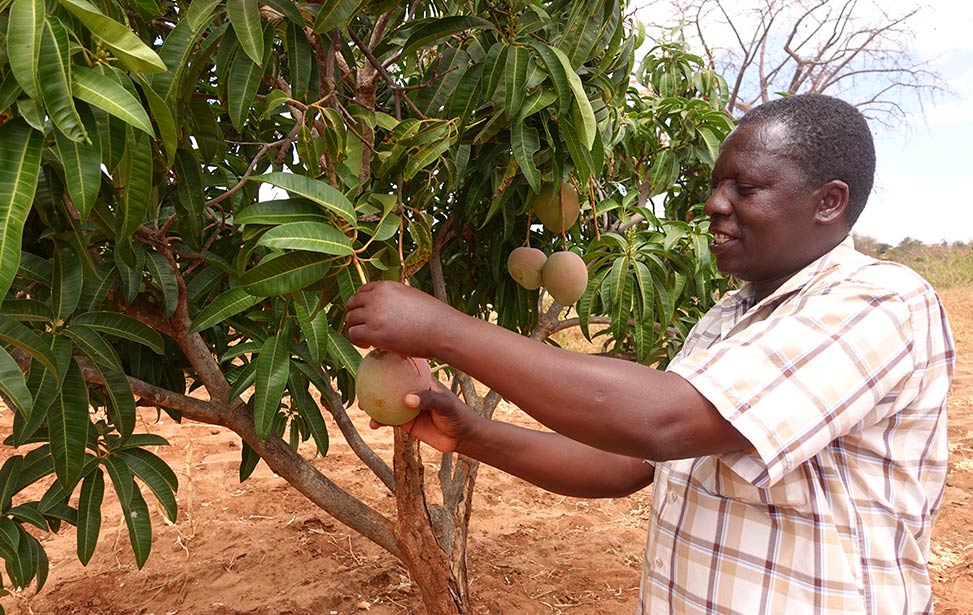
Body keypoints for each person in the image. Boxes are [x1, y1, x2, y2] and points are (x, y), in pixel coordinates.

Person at [345, 94, 955, 615]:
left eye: (745, 187)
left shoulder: (881, 301)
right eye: (716, 185)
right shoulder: (727, 320)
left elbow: (662, 423)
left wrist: (444, 330)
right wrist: (473, 434)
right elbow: (631, 464)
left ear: (829, 202)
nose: (715, 204)